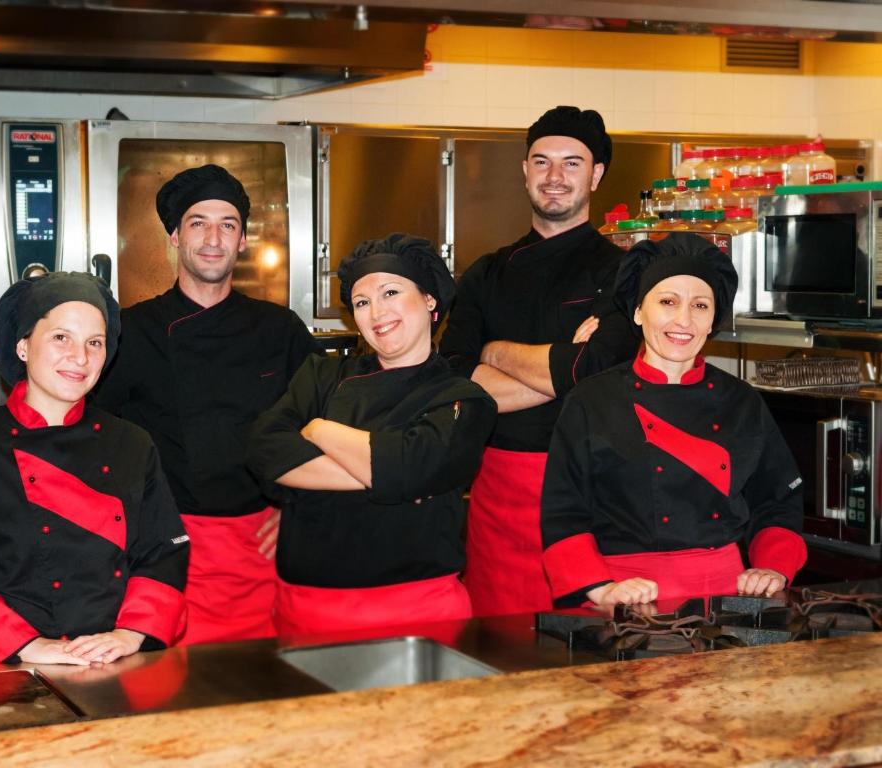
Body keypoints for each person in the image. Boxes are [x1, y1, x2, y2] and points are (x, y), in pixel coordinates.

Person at [94, 165, 322, 645]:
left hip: (260, 550)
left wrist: (298, 505)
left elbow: (324, 422)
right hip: (168, 549)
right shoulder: (132, 333)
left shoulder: (280, 330)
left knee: (263, 676)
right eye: (198, 223)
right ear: (175, 237)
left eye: (227, 225)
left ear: (243, 240)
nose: (213, 239)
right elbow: (92, 439)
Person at [0, 272, 189, 668]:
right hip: (7, 667)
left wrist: (130, 634)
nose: (80, 357)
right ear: (23, 346)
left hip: (109, 665)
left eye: (94, 343)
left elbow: (162, 551)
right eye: (62, 337)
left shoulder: (132, 444)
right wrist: (27, 646)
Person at [439, 105, 637, 617]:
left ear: (595, 175)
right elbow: (455, 381)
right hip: (498, 494)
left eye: (572, 163)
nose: (554, 176)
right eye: (542, 161)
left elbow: (596, 370)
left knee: (588, 647)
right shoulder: (485, 273)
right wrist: (564, 368)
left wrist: (493, 352)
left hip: (589, 492)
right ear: (524, 170)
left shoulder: (623, 274)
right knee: (495, 647)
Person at [247, 234, 497, 637]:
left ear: (429, 299)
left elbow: (412, 468)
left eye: (391, 292)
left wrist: (319, 429)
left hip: (418, 614)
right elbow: (264, 447)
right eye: (362, 302)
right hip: (306, 610)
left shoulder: (464, 398)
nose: (377, 312)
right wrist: (387, 472)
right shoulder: (322, 375)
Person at [542, 233, 807, 608]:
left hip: (726, 595)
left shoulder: (742, 401)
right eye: (668, 301)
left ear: (712, 319)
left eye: (700, 305)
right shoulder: (591, 401)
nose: (684, 320)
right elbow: (563, 513)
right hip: (624, 597)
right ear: (638, 311)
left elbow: (778, 501)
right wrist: (602, 589)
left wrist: (772, 568)